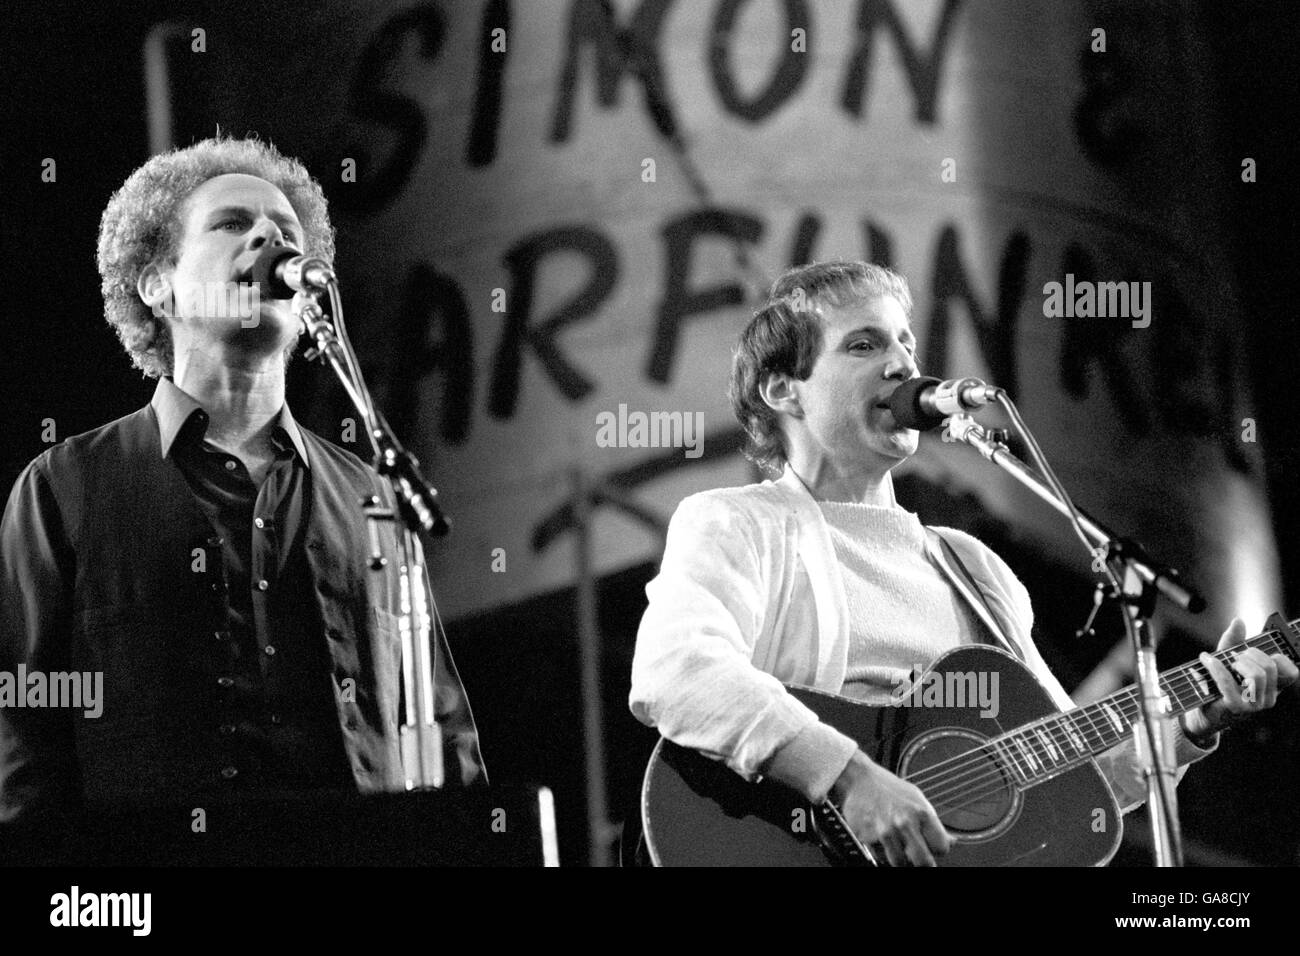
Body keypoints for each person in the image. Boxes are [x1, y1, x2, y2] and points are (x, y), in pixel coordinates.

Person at [629, 259, 1296, 867]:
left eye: (905, 343)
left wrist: (1192, 725)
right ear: (784, 391)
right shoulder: (738, 524)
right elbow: (676, 672)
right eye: (865, 345)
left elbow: (1072, 780)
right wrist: (851, 779)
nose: (901, 364)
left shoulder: (974, 569)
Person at [0, 136, 484, 845]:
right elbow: (22, 738)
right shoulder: (64, 487)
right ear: (155, 284)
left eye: (287, 233)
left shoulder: (371, 494)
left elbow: (443, 734)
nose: (269, 237)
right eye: (232, 223)